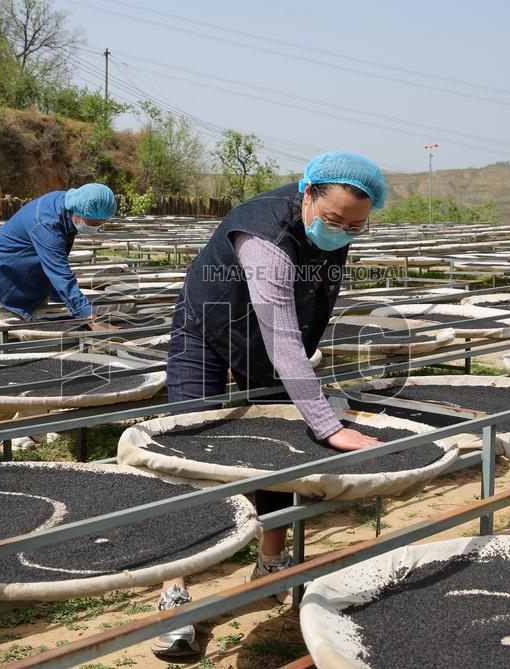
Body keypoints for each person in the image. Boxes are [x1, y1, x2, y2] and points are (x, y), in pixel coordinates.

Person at [151, 152, 387, 658]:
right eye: (334, 220)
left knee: (280, 450)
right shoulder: (264, 236)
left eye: (355, 225)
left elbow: (303, 317)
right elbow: (281, 333)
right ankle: (173, 592)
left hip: (269, 341)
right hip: (208, 326)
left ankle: (270, 561)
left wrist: (303, 398)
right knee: (189, 452)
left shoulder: (334, 227)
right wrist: (326, 422)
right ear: (307, 194)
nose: (343, 231)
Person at [0, 183, 118, 331]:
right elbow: (59, 272)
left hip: (29, 279)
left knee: (31, 338)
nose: (96, 227)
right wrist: (89, 318)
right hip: (0, 278)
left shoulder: (67, 201)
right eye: (92, 223)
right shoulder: (49, 224)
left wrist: (6, 228)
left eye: (101, 223)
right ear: (77, 212)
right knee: (1, 338)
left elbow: (28, 215)